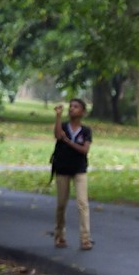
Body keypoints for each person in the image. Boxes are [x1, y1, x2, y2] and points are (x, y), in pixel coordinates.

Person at [50, 98, 92, 250]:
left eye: (76, 107)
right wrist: (58, 116)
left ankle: (85, 238)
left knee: (83, 203)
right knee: (61, 204)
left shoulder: (86, 131)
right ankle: (59, 235)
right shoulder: (63, 126)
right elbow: (57, 135)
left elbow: (84, 150)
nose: (72, 109)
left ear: (82, 112)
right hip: (62, 168)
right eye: (71, 106)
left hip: (79, 169)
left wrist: (67, 141)